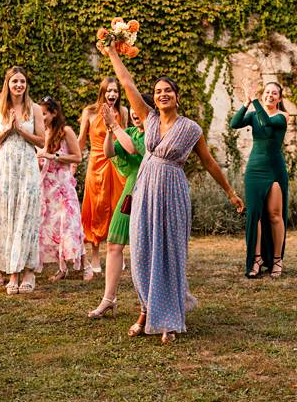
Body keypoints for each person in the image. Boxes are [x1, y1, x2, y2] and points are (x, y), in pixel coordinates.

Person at [103, 40, 243, 344]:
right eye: (158, 92)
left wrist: (230, 192)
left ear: (177, 97)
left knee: (169, 254)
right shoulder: (149, 118)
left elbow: (209, 162)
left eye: (168, 91)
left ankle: (167, 319)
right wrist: (112, 52)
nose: (162, 95)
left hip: (172, 193)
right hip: (144, 192)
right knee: (141, 252)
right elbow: (126, 83)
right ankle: (145, 311)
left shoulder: (191, 128)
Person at [0, 66, 45, 294]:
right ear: (8, 84)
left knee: (27, 214)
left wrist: (20, 129)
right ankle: (12, 271)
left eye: (22, 81)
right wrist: (7, 130)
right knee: (8, 214)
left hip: (28, 164)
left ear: (26, 84)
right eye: (14, 82)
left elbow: (41, 142)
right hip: (7, 165)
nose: (19, 85)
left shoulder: (36, 109)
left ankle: (29, 271)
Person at [228, 81, 291, 278]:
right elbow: (234, 123)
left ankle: (277, 259)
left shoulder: (282, 117)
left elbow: (267, 123)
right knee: (254, 215)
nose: (270, 95)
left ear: (279, 99)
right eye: (267, 92)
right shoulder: (254, 114)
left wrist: (255, 100)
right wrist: (247, 102)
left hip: (275, 170)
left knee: (274, 215)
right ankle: (256, 259)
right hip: (255, 169)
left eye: (274, 93)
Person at [89, 99, 145, 318]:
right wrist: (109, 132)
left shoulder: (153, 133)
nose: (134, 114)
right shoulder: (128, 130)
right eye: (132, 111)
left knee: (143, 250)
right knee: (114, 244)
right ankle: (108, 299)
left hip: (149, 189)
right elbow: (110, 153)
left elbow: (132, 147)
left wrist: (115, 127)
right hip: (130, 190)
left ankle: (147, 304)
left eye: (139, 110)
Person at [78, 79, 131, 280]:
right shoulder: (89, 112)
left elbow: (126, 136)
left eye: (115, 91)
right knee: (96, 207)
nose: (112, 94)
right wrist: (74, 160)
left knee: (118, 206)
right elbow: (82, 139)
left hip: (117, 163)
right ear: (102, 93)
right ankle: (94, 254)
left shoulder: (123, 111)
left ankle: (118, 251)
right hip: (97, 162)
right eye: (108, 91)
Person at [36, 96, 85, 281]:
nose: (41, 118)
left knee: (70, 226)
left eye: (44, 114)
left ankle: (85, 265)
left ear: (54, 113)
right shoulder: (42, 133)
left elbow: (77, 157)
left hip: (63, 186)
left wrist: (53, 156)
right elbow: (43, 162)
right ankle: (61, 268)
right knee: (55, 228)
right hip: (48, 188)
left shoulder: (66, 131)